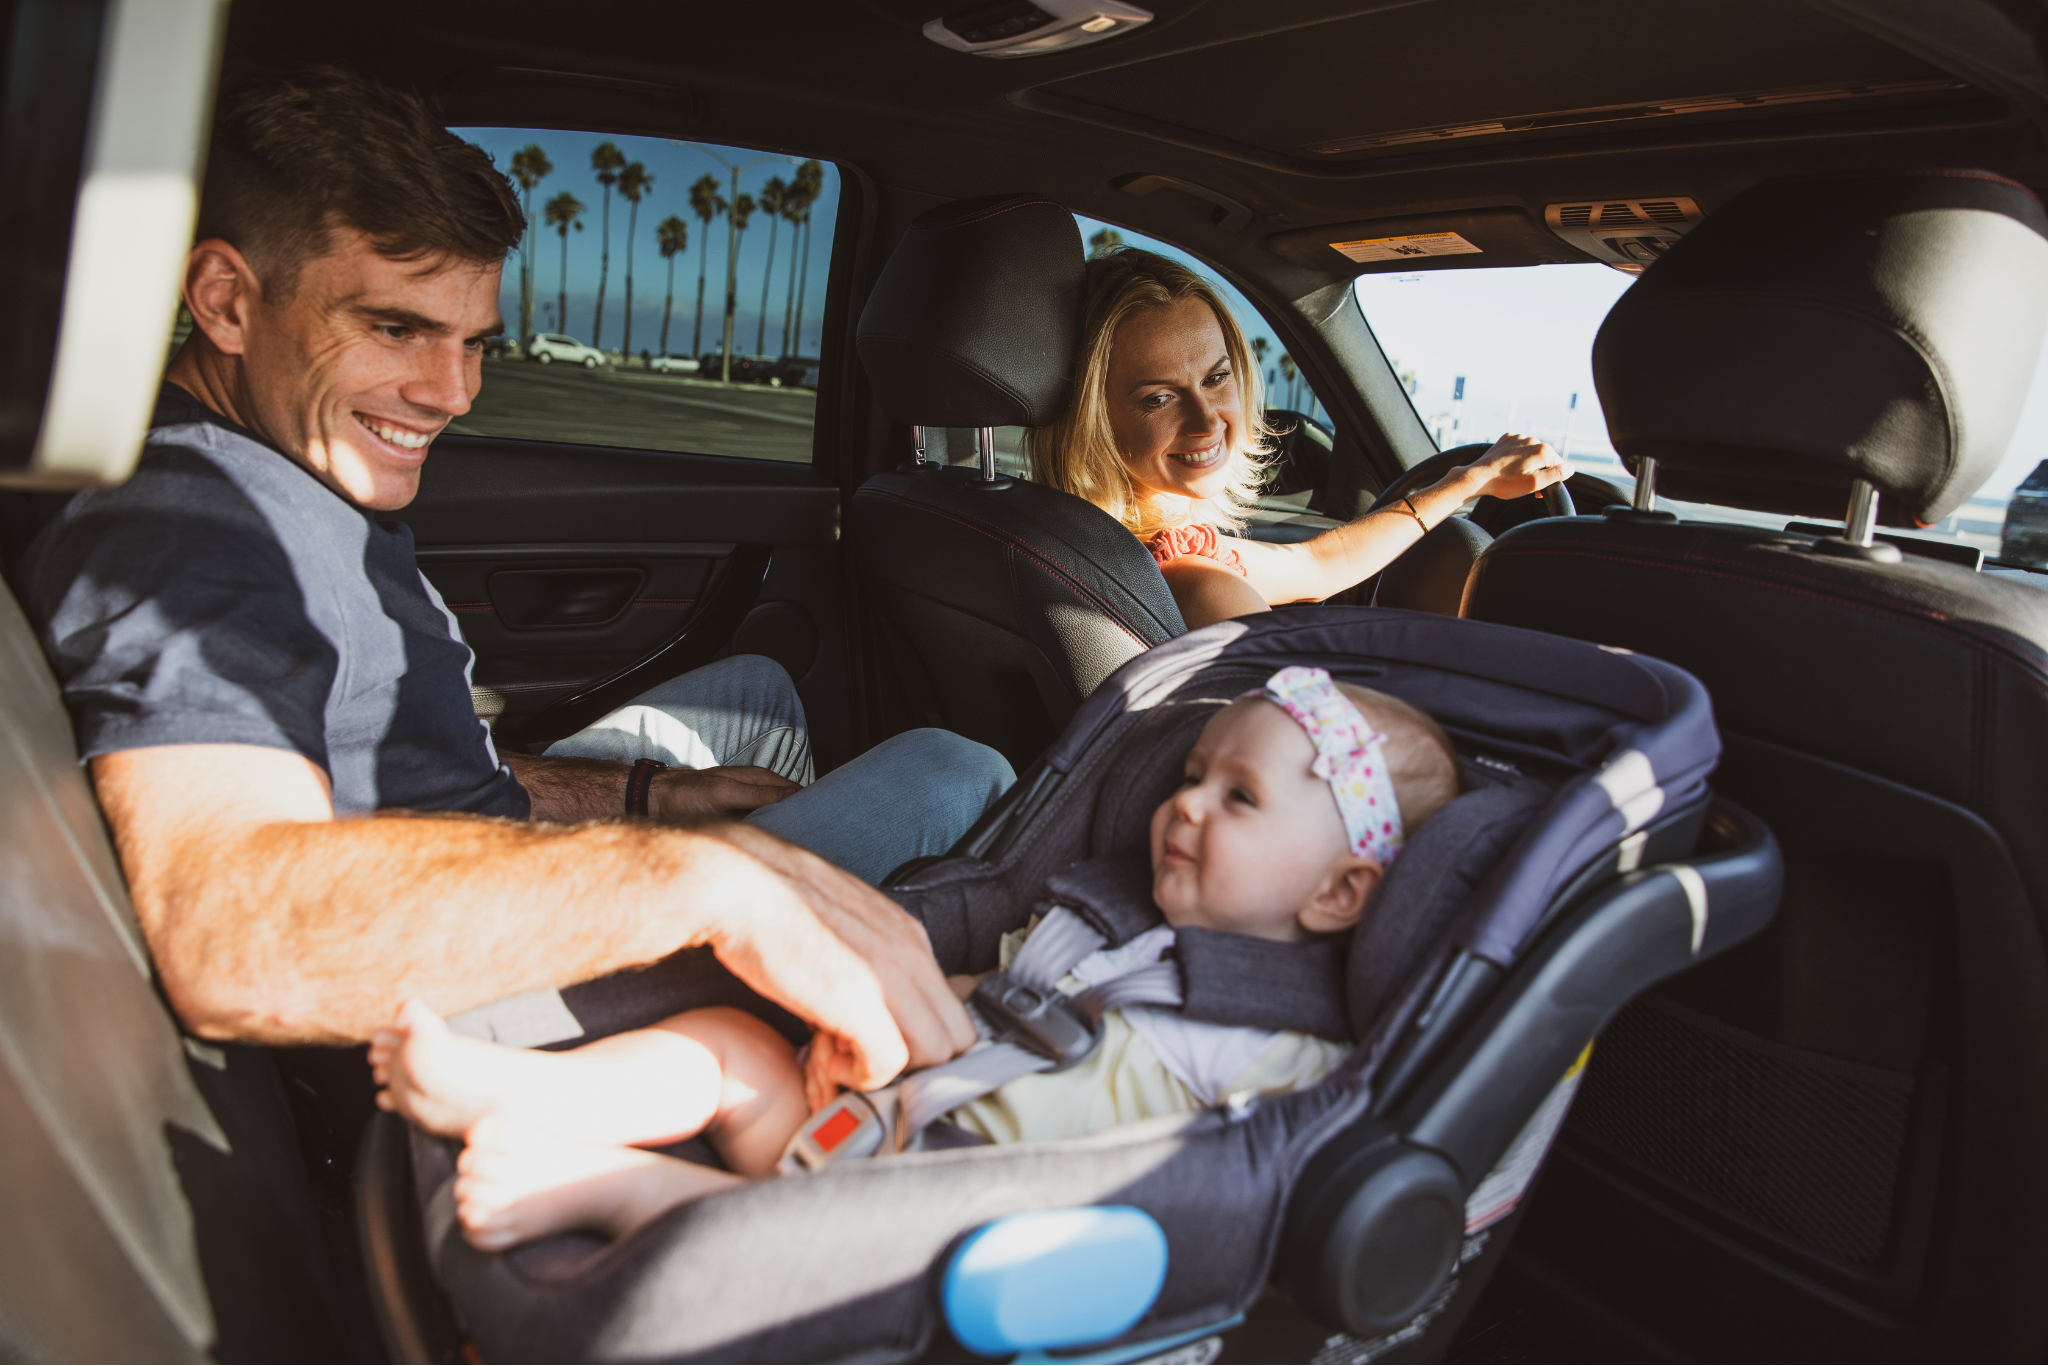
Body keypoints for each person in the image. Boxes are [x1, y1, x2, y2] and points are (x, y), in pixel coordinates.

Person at [22, 68, 1000, 1098]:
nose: (451, 394)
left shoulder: (266, 465)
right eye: (394, 327)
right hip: (454, 1027)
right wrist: (708, 881)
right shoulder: (190, 530)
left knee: (753, 688)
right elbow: (229, 932)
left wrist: (647, 797)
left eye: (473, 341)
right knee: (949, 771)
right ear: (226, 301)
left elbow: (379, 765)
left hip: (452, 845)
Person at [370, 667, 1458, 1251]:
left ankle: (618, 1191)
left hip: (951, 1221)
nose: (1181, 805)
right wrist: (865, 1041)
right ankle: (515, 1083)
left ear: (1337, 891)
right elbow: (985, 993)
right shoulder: (1104, 918)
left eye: (1240, 798)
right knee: (732, 1048)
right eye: (1189, 773)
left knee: (806, 1232)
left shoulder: (1278, 1049)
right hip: (870, 1120)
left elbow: (1235, 1195)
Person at [1028, 248, 1572, 630]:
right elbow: (1312, 765)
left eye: (1216, 378)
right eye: (1157, 398)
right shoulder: (1196, 581)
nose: (1206, 421)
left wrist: (1468, 481)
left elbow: (1318, 565)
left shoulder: (1081, 539)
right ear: (1092, 418)